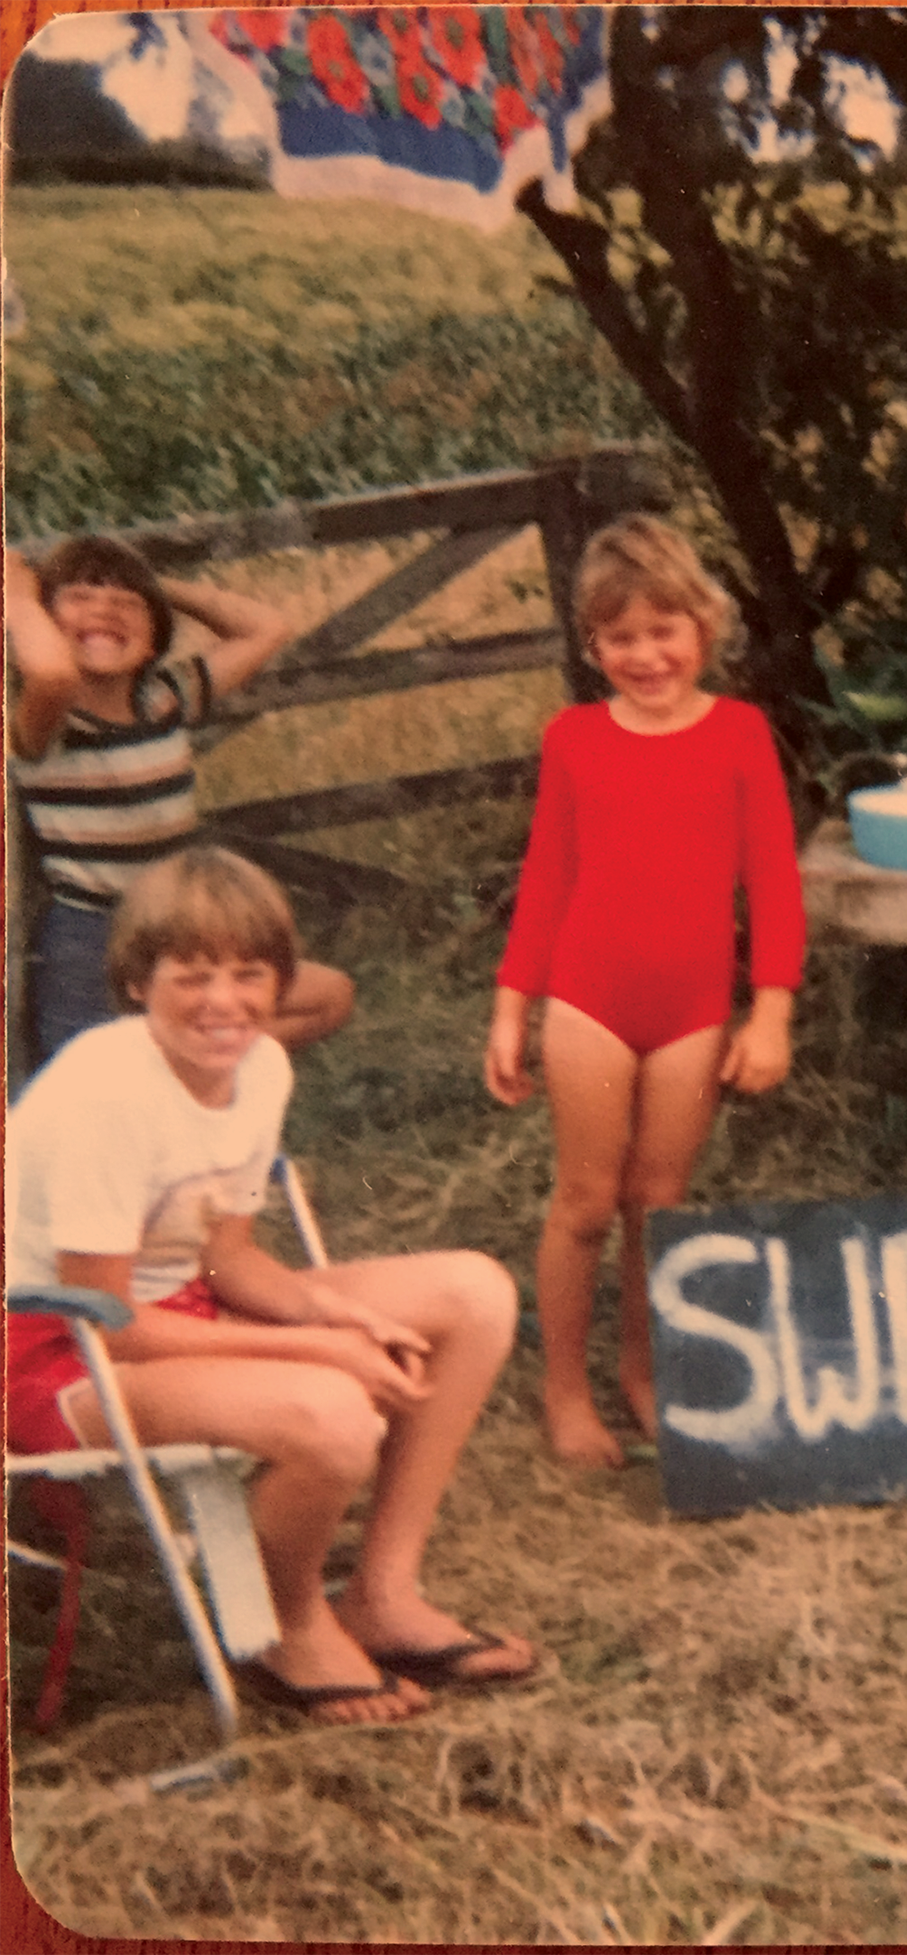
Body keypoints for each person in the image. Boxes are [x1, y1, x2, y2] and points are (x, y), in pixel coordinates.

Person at [6, 848, 537, 1725]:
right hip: (54, 1352)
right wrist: (316, 1346)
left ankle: (383, 1591)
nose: (223, 1002)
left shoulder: (260, 1069)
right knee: (332, 1409)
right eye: (193, 975)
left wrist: (335, 1308)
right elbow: (114, 1325)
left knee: (474, 1293)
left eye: (248, 974)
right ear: (139, 981)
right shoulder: (105, 1094)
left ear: (279, 982)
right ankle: (288, 1621)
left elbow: (228, 1258)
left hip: (178, 1308)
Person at [485, 516, 806, 1469]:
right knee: (586, 1199)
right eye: (620, 638)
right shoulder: (575, 738)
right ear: (594, 648)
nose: (646, 655)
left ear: (704, 628)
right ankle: (566, 1392)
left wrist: (774, 1008)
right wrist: (513, 1005)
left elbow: (775, 881)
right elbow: (546, 876)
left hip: (695, 1010)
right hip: (588, 1000)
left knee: (658, 1201)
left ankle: (643, 1371)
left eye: (664, 630)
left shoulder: (742, 733)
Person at [6, 538, 355, 1066]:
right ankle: (166, 1080)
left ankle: (182, 1069)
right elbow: (54, 674)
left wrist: (154, 583)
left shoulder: (164, 700)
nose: (104, 608)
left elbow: (268, 627)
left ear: (152, 643)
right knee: (86, 1076)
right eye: (79, 599)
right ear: (47, 628)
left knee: (329, 997)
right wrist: (18, 596)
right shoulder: (49, 723)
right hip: (91, 934)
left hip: (180, 920)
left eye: (126, 605)